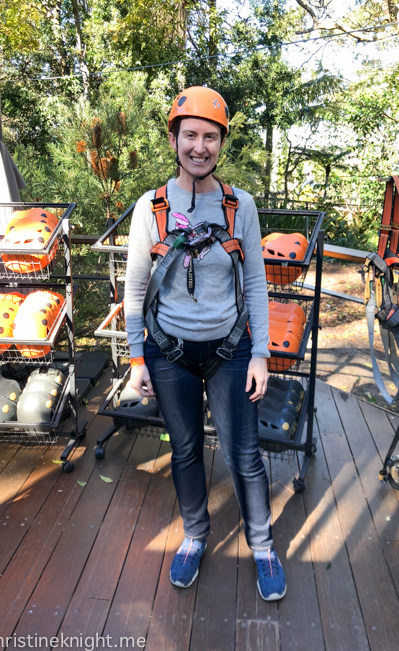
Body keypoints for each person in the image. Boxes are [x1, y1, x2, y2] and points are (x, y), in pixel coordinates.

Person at [124, 86, 286, 601]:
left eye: (209, 137)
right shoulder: (151, 207)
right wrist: (134, 358)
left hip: (230, 349)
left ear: (221, 143)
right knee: (187, 451)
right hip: (169, 351)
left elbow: (257, 283)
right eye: (189, 135)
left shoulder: (242, 206)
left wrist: (260, 352)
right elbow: (134, 287)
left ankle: (261, 546)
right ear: (174, 140)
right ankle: (195, 535)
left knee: (244, 452)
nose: (200, 146)